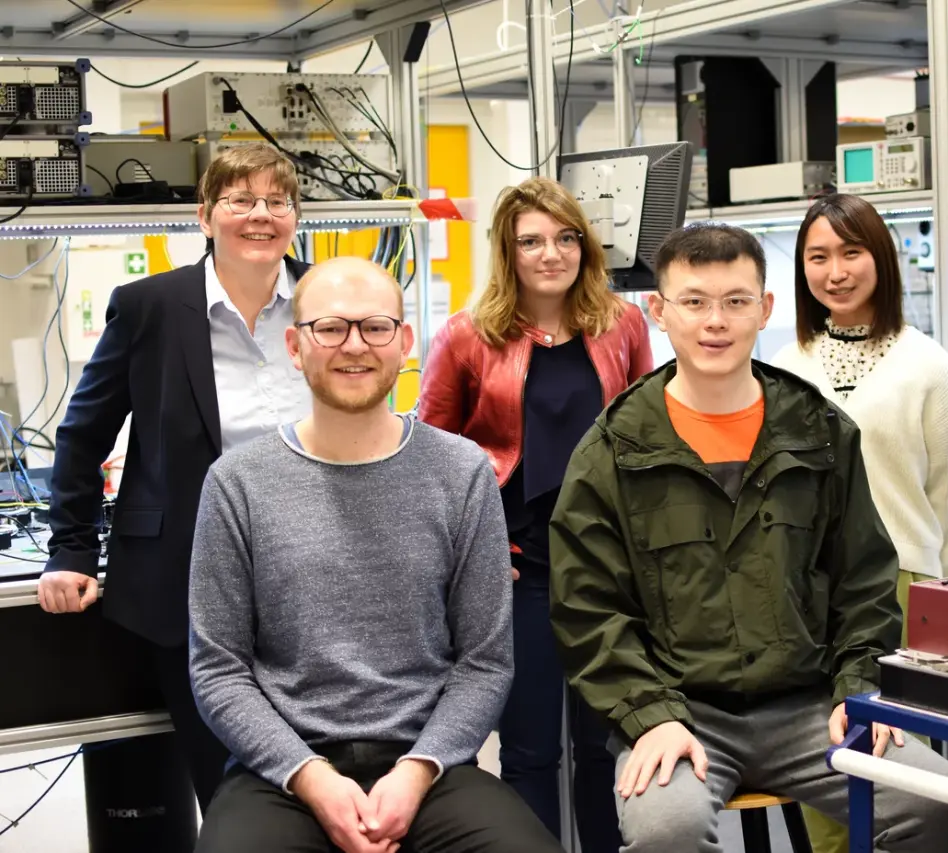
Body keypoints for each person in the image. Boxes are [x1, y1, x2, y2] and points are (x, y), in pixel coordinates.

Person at [548, 222, 948, 853]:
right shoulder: (613, 449)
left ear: (765, 309)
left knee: (935, 803)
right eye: (694, 302)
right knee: (667, 833)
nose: (716, 321)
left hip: (810, 706)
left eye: (736, 301)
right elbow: (588, 609)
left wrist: (860, 690)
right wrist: (648, 717)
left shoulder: (819, 431)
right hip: (682, 712)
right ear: (658, 311)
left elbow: (864, 580)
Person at [188, 256, 562, 853]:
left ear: (405, 340)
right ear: (294, 344)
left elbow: (486, 661)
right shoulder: (238, 483)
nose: (353, 346)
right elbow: (218, 668)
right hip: (285, 773)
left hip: (430, 766)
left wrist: (418, 771)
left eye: (375, 327)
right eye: (330, 328)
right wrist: (310, 778)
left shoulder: (461, 473)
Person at [38, 142, 312, 811]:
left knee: (321, 772)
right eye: (241, 200)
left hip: (312, 578)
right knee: (230, 787)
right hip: (187, 582)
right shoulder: (150, 307)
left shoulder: (327, 298)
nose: (260, 214)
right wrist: (70, 548)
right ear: (204, 215)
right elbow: (82, 436)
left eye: (277, 201)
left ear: (295, 217)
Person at [419, 176, 651, 851]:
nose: (551, 253)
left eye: (565, 237)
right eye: (532, 241)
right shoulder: (467, 336)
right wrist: (472, 557)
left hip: (605, 567)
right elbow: (431, 462)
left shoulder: (622, 324)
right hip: (517, 567)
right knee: (527, 751)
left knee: (606, 748)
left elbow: (642, 440)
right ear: (508, 251)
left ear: (584, 244)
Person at [772, 193, 948, 853]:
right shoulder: (782, 366)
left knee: (900, 769)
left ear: (880, 258)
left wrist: (937, 590)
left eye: (851, 251)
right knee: (828, 758)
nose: (836, 270)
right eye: (819, 256)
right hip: (806, 596)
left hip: (904, 587)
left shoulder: (926, 363)